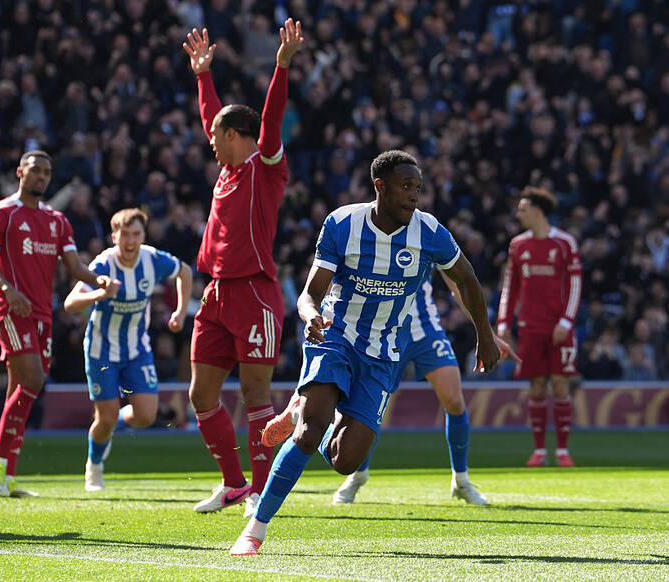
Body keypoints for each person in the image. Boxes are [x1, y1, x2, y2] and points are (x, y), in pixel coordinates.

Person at [230, 150, 510, 556]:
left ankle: (297, 413)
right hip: (335, 336)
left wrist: (484, 334)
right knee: (311, 433)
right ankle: (254, 531)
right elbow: (312, 291)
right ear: (379, 186)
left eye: (418, 187)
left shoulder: (428, 232)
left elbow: (466, 279)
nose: (413, 195)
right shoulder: (343, 223)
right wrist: (309, 314)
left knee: (346, 461)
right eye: (405, 186)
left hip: (383, 351)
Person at [181, 21, 303, 517]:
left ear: (234, 136)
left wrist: (282, 66)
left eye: (215, 135)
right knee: (200, 394)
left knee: (255, 392)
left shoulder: (264, 165)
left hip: (254, 292)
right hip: (215, 293)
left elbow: (268, 120)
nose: (208, 139)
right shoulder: (229, 171)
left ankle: (260, 491)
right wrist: (203, 76)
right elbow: (215, 113)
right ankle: (234, 485)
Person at [0, 150, 119, 497]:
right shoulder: (2, 212)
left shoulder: (58, 221)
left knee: (20, 390)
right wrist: (8, 289)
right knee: (34, 380)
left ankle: (7, 477)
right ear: (20, 173)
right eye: (35, 170)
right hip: (11, 309)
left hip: (42, 314)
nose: (41, 176)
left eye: (46, 172)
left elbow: (75, 267)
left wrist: (98, 281)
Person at [331, 270, 521, 506]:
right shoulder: (374, 235)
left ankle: (461, 480)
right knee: (371, 406)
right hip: (385, 332)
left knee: (454, 400)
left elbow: (458, 284)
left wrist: (486, 333)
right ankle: (358, 474)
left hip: (426, 330)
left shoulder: (429, 233)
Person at [63, 208, 192, 491]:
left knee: (146, 416)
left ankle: (112, 422)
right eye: (125, 235)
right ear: (114, 236)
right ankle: (94, 467)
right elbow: (70, 303)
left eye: (136, 234)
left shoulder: (152, 259)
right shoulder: (103, 265)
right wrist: (100, 293)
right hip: (102, 351)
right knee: (104, 417)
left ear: (143, 236)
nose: (130, 241)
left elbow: (185, 271)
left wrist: (181, 312)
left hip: (136, 350)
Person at [497, 187, 582, 467]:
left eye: (522, 209)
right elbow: (511, 287)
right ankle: (539, 451)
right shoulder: (517, 246)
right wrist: (503, 324)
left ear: (537, 212)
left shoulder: (565, 244)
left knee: (559, 385)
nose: (518, 214)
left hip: (559, 328)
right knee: (536, 386)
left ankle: (562, 451)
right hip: (530, 327)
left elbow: (575, 285)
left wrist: (566, 322)